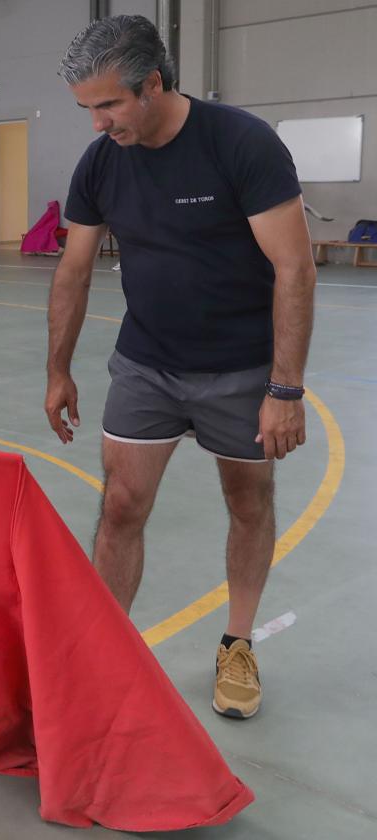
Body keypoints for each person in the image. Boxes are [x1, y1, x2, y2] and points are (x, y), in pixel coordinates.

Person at [45, 16, 316, 720]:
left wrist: (284, 390)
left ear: (154, 83)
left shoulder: (241, 144)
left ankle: (236, 644)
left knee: (247, 504)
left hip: (240, 370)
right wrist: (58, 370)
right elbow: (73, 271)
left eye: (109, 105)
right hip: (146, 365)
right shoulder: (102, 161)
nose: (99, 123)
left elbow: (294, 267)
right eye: (88, 109)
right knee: (121, 506)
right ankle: (105, 649)